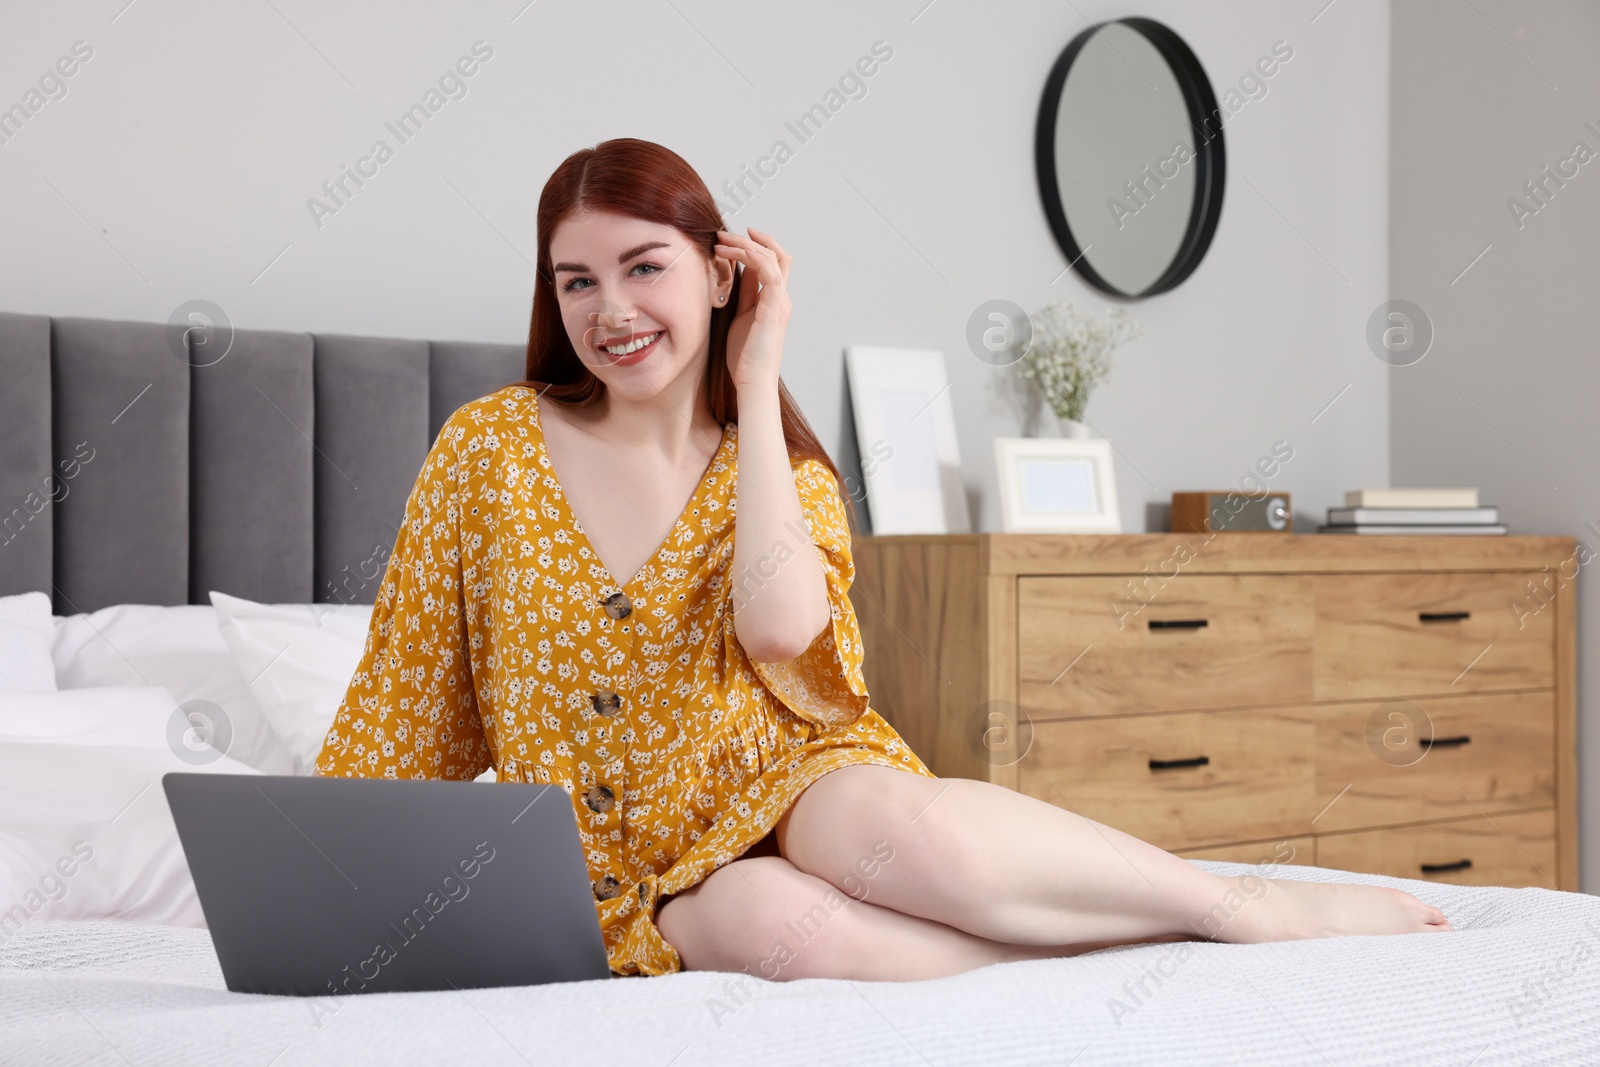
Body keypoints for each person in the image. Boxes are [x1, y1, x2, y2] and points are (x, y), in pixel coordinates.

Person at [312, 137, 1451, 980]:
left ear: (719, 274)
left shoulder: (786, 471)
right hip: (631, 879)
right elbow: (405, 697)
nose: (610, 308)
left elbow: (776, 633)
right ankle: (1126, 968)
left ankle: (1235, 904)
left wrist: (754, 379)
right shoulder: (486, 450)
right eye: (576, 280)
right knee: (767, 925)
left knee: (905, 832)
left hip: (787, 777)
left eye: (642, 266)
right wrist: (316, 876)